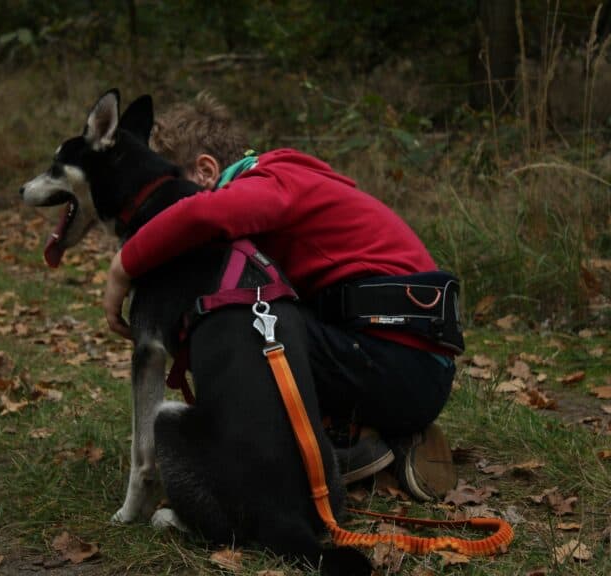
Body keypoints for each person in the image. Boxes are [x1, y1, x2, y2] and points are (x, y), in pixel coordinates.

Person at [103, 92, 458, 501]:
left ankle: (312, 451)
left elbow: (204, 215)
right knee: (254, 310)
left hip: (402, 361)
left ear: (205, 172)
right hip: (397, 360)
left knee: (235, 321)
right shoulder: (283, 181)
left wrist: (124, 265)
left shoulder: (274, 179)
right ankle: (365, 442)